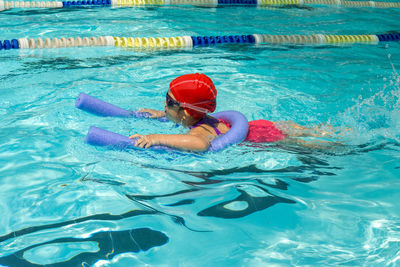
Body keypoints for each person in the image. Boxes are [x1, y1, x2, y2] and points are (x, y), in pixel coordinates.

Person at [129, 73, 340, 151]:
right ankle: (331, 131)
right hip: (263, 126)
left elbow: (200, 144)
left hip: (269, 139)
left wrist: (156, 138)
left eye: (169, 102)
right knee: (316, 132)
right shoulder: (202, 118)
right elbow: (183, 115)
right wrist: (161, 114)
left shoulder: (198, 132)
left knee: (322, 147)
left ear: (185, 112)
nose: (164, 106)